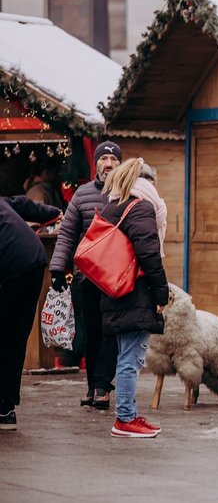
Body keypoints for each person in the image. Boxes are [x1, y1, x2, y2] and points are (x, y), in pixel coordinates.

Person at [49, 140, 122, 410]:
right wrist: (58, 267)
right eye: (104, 159)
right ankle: (93, 386)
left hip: (115, 279)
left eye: (114, 160)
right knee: (91, 333)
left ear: (119, 164)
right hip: (87, 277)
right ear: (97, 164)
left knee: (110, 333)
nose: (108, 164)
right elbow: (67, 234)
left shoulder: (127, 193)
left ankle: (103, 386)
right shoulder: (81, 195)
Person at [99, 158, 168, 438]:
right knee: (131, 356)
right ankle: (125, 419)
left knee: (126, 354)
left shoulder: (114, 205)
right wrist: (162, 293)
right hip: (134, 292)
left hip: (115, 289)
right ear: (146, 182)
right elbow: (149, 254)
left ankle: (128, 414)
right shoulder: (140, 207)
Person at [0, 196, 61, 430]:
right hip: (34, 260)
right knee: (14, 337)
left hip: (13, 266)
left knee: (6, 335)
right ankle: (6, 410)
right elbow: (24, 204)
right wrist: (54, 212)